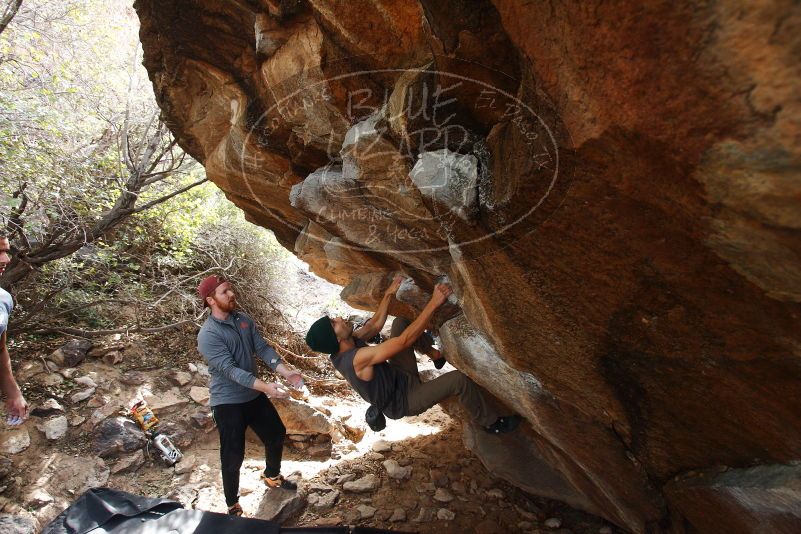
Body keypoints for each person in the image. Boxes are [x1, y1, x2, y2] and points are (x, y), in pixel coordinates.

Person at [305, 279, 521, 435]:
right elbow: (402, 342)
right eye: (334, 323)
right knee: (458, 380)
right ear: (336, 339)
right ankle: (491, 423)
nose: (340, 318)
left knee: (400, 322)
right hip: (405, 400)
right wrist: (434, 302)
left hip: (401, 376)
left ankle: (435, 355)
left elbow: (374, 325)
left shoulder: (348, 342)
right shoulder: (355, 359)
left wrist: (390, 292)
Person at [196, 275, 303, 517]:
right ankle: (232, 504)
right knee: (233, 456)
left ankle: (272, 475)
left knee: (276, 433)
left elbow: (262, 348)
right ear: (211, 300)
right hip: (227, 402)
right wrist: (267, 388)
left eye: (230, 289)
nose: (231, 294)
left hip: (252, 395)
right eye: (225, 292)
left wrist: (287, 372)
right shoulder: (208, 335)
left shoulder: (243, 320)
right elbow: (231, 371)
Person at [0, 235, 28, 427]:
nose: (6, 259)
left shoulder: (3, 301)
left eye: (5, 252)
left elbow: (0, 349)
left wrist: (13, 392)